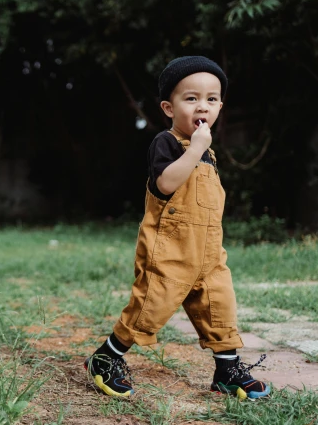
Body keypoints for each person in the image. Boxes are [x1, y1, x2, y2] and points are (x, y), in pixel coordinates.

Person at [84, 56, 270, 400]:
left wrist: (202, 149)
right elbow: (166, 184)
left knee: (221, 308)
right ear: (169, 108)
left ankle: (227, 371)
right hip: (170, 249)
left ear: (220, 107)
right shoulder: (167, 143)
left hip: (209, 253)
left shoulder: (209, 154)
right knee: (150, 307)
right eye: (192, 98)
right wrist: (196, 147)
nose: (203, 106)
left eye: (211, 99)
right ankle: (107, 357)